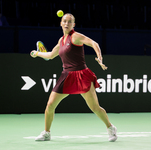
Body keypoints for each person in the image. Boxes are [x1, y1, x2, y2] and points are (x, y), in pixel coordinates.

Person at [30, 13, 117, 142]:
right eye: (64, 21)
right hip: (66, 75)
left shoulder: (76, 37)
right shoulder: (61, 40)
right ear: (61, 23)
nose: (66, 24)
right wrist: (37, 53)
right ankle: (47, 132)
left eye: (69, 22)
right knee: (50, 105)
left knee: (95, 108)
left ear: (73, 25)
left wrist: (99, 57)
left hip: (82, 75)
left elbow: (94, 43)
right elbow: (51, 55)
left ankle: (110, 128)